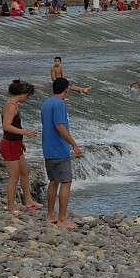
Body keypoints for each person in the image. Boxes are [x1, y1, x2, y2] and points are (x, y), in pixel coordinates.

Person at [41, 78, 82, 229]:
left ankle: (50, 215)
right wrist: (74, 145)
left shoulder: (46, 103)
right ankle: (62, 219)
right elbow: (59, 126)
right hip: (59, 149)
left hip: (48, 149)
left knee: (53, 182)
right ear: (66, 89)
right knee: (66, 182)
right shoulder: (59, 104)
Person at [0, 80, 42, 216]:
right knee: (13, 177)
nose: (27, 98)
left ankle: (28, 201)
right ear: (22, 94)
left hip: (15, 144)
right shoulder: (11, 106)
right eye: (27, 95)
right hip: (9, 145)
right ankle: (11, 208)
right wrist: (25, 133)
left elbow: (14, 127)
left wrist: (21, 141)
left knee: (25, 172)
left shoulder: (14, 105)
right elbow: (6, 126)